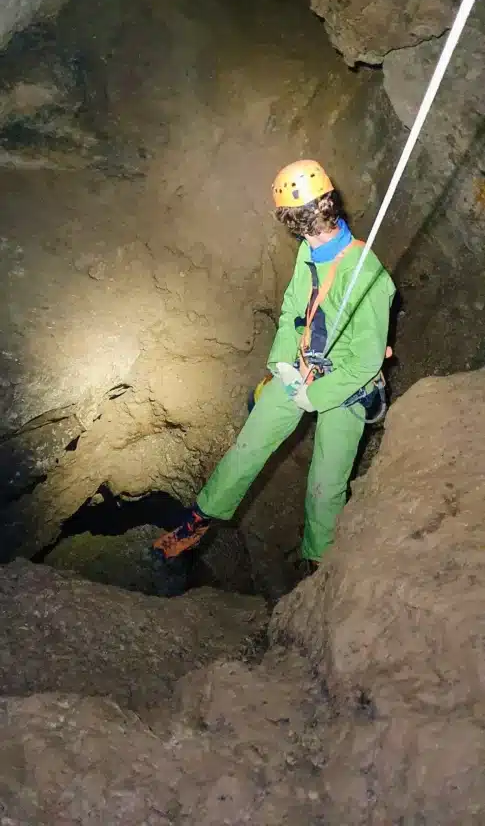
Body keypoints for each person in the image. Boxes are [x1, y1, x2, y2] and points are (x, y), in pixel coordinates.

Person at [152, 159, 395, 569]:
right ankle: (199, 519)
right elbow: (291, 312)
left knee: (325, 485)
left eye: (309, 221)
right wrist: (284, 363)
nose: (310, 233)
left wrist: (313, 394)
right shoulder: (308, 252)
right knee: (248, 447)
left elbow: (366, 360)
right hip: (301, 366)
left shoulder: (367, 274)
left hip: (346, 386)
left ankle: (318, 563)